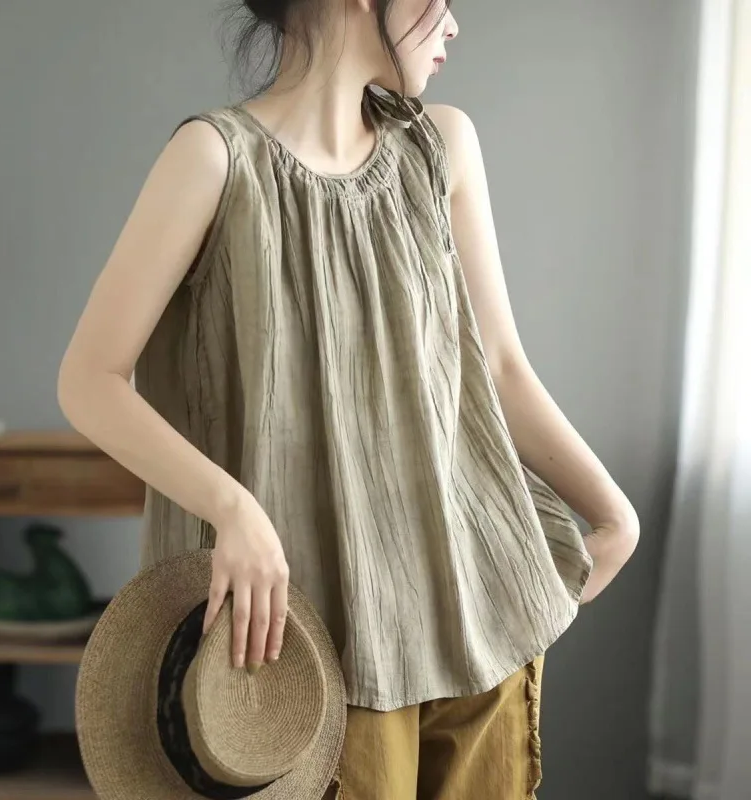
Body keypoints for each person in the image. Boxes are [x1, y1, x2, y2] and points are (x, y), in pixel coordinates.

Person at [58, 1, 640, 797]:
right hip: (312, 650)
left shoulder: (441, 146)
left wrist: (614, 516)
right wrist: (233, 509)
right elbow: (89, 379)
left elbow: (499, 366)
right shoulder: (215, 159)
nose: (454, 23)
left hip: (475, 617)